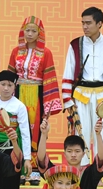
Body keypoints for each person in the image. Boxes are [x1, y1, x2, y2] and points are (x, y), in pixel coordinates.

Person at [61, 7, 103, 162]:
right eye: (83, 23)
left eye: (88, 23)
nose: (85, 27)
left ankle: (102, 169)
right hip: (81, 94)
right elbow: (68, 73)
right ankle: (81, 169)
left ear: (99, 23)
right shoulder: (75, 44)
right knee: (81, 132)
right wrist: (67, 100)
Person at [8, 16, 62, 161]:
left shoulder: (46, 53)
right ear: (23, 31)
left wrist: (48, 104)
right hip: (18, 92)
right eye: (27, 30)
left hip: (36, 94)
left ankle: (34, 164)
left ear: (40, 33)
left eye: (34, 31)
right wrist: (8, 98)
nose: (30, 34)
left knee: (35, 126)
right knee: (17, 124)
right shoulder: (15, 51)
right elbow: (10, 76)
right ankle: (17, 161)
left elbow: (49, 78)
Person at [0, 69, 33, 185]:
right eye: (3, 84)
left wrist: (27, 159)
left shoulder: (19, 106)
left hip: (11, 150)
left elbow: (25, 133)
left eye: (10, 85)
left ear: (15, 87)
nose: (6, 88)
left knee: (9, 181)